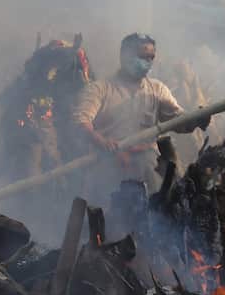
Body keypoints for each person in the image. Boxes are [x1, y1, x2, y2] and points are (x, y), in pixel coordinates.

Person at [71, 33, 210, 199]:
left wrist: (195, 120)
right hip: (108, 166)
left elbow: (178, 120)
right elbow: (80, 120)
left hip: (148, 167)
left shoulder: (157, 90)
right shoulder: (100, 89)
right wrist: (102, 141)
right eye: (142, 56)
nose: (147, 62)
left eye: (151, 57)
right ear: (124, 55)